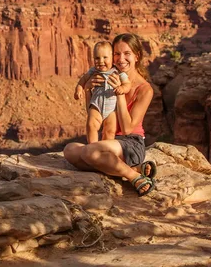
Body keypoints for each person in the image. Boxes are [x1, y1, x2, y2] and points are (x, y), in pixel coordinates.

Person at [64, 33, 157, 197]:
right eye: (117, 54)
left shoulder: (144, 89)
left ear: (137, 56)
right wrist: (88, 91)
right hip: (110, 142)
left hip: (130, 143)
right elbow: (94, 114)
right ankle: (133, 168)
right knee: (69, 150)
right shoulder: (107, 76)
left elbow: (128, 128)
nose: (121, 59)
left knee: (89, 153)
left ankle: (134, 177)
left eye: (127, 53)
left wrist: (120, 94)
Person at [74, 41, 131, 143]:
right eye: (97, 58)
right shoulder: (93, 71)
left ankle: (104, 149)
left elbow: (127, 84)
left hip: (111, 109)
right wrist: (79, 88)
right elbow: (82, 80)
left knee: (110, 130)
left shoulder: (117, 71)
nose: (100, 61)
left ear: (112, 58)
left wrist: (122, 88)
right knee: (91, 125)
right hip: (96, 105)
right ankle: (92, 147)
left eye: (105, 57)